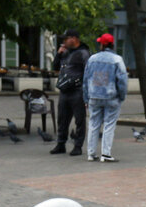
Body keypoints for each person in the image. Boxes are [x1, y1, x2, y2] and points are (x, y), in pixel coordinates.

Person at [83, 33, 128, 162]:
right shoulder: (117, 60)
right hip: (112, 97)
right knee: (109, 125)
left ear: (102, 44)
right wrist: (121, 96)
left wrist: (86, 98)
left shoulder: (92, 59)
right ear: (112, 45)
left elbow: (85, 80)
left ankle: (91, 154)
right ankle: (106, 154)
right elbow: (122, 81)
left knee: (93, 124)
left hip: (94, 96)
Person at [51, 28, 90, 156]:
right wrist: (58, 53)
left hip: (77, 91)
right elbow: (55, 67)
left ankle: (77, 146)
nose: (64, 41)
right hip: (64, 91)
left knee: (79, 120)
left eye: (66, 38)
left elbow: (88, 71)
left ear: (74, 39)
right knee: (62, 119)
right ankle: (61, 144)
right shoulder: (65, 52)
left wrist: (86, 92)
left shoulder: (83, 53)